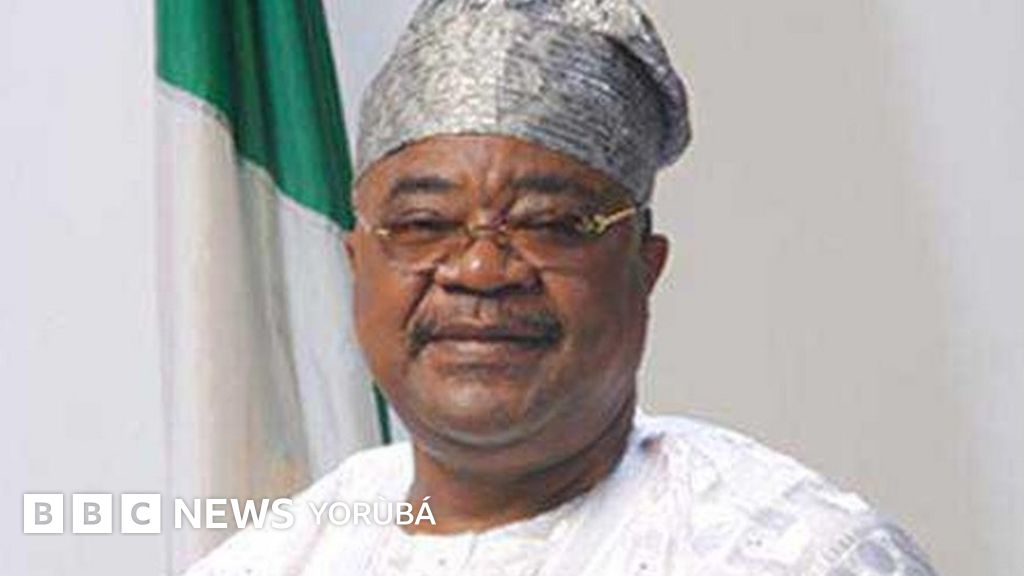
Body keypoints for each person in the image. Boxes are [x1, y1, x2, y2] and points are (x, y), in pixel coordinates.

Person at [187, 0, 938, 574]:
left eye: (550, 223)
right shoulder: (277, 558)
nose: (480, 270)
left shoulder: (796, 555)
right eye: (423, 224)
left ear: (644, 268)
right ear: (358, 265)